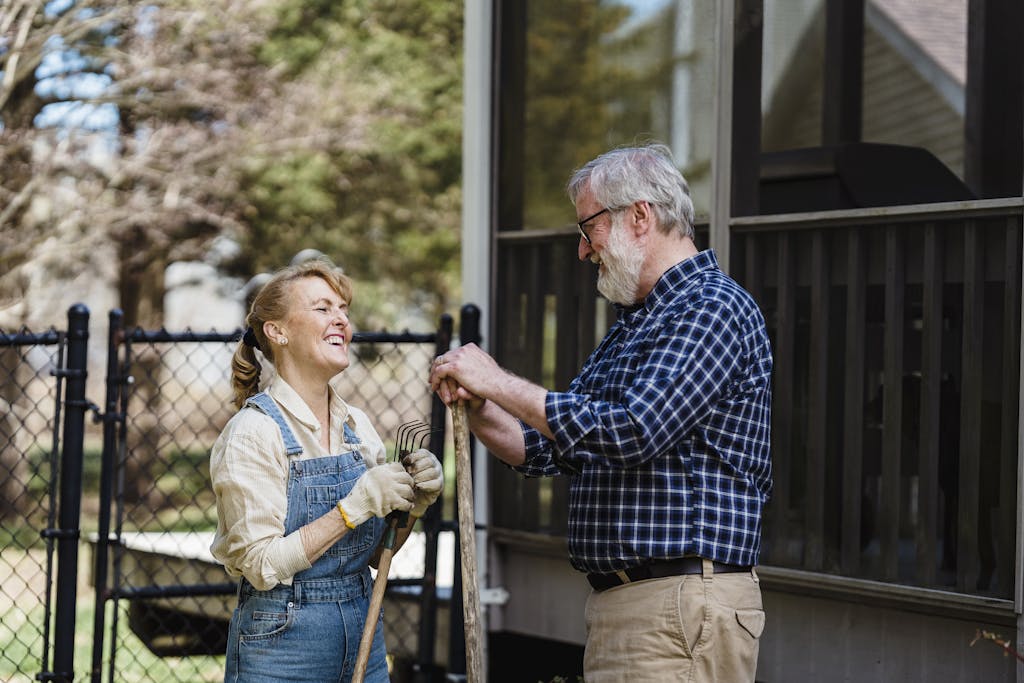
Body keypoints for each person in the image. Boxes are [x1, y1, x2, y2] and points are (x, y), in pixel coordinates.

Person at [429, 143, 772, 682]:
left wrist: (496, 379)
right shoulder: (638, 323)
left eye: (588, 229)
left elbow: (633, 430)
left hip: (677, 604)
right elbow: (548, 447)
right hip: (637, 608)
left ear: (640, 216)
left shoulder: (711, 307)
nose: (584, 250)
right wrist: (481, 406)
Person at [210, 259, 444, 683]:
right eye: (322, 309)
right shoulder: (253, 433)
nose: (341, 320)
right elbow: (262, 565)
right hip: (283, 642)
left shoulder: (357, 428)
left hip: (362, 630)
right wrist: (351, 509)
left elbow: (374, 554)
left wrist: (414, 506)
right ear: (277, 332)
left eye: (344, 310)